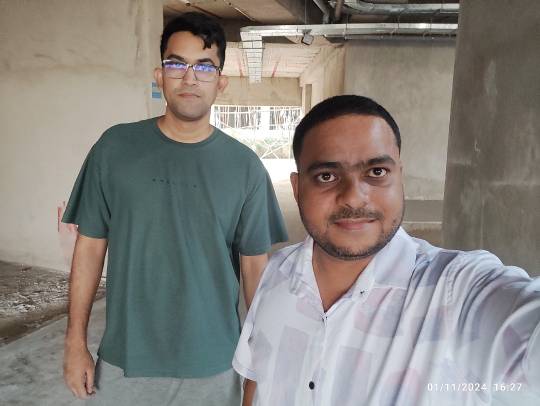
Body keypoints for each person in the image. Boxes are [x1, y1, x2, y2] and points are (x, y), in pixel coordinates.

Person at [233, 95, 540, 406]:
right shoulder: (277, 273)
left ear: (399, 177)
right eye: (327, 176)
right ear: (297, 189)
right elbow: (256, 380)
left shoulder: (456, 292)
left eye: (376, 172)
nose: (354, 197)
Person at [62, 12, 287, 405]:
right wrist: (74, 342)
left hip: (215, 362)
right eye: (176, 64)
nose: (190, 78)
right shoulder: (114, 149)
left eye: (205, 66)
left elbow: (255, 268)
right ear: (159, 75)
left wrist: (262, 357)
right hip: (126, 359)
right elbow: (90, 247)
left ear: (221, 82)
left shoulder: (245, 167)